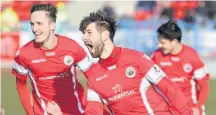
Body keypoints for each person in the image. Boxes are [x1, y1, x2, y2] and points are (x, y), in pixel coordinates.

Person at [79, 10, 199, 115]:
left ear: (105, 35)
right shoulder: (94, 75)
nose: (83, 38)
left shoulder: (137, 59)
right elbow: (93, 110)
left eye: (89, 32)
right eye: (83, 33)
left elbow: (170, 89)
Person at [12, 3, 97, 115]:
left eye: (39, 24)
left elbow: (94, 77)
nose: (34, 29)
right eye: (32, 24)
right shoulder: (23, 54)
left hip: (77, 111)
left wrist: (93, 107)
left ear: (52, 25)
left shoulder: (72, 47)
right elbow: (21, 84)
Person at [151, 20, 209, 115]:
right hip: (166, 109)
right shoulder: (156, 55)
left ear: (174, 41)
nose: (159, 45)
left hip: (190, 108)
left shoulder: (192, 57)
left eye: (163, 42)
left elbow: (204, 87)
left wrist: (197, 108)